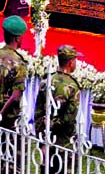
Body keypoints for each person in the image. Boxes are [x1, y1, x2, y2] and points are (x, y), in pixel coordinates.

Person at [34, 46, 82, 174]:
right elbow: (70, 117)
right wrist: (55, 124)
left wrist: (42, 138)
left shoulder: (46, 81)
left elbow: (38, 113)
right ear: (70, 62)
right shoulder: (73, 86)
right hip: (65, 143)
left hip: (47, 139)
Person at [0, 15, 28, 130]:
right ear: (17, 38)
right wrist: (0, 114)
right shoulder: (19, 62)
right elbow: (15, 96)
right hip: (11, 121)